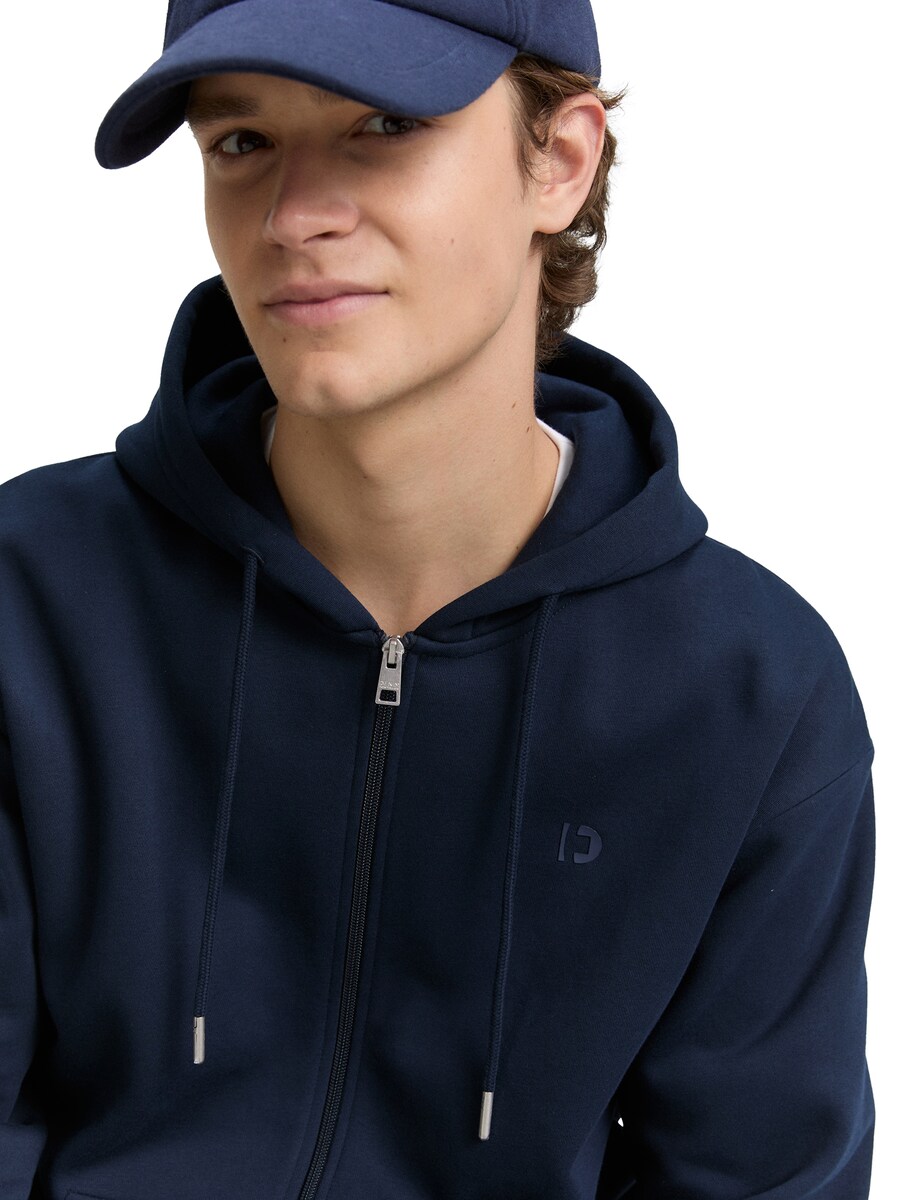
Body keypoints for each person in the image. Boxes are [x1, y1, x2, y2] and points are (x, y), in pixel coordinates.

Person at [0, 0, 876, 1197]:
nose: (294, 215)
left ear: (559, 161)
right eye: (242, 141)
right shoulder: (32, 598)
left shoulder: (749, 693)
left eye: (385, 125)